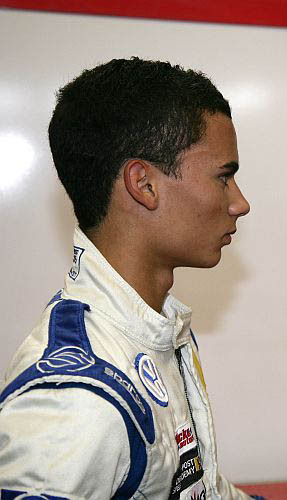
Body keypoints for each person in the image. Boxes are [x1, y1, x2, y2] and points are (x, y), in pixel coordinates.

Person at [0, 58, 256, 499]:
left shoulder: (153, 330)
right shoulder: (78, 400)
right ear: (144, 183)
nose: (240, 203)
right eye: (224, 177)